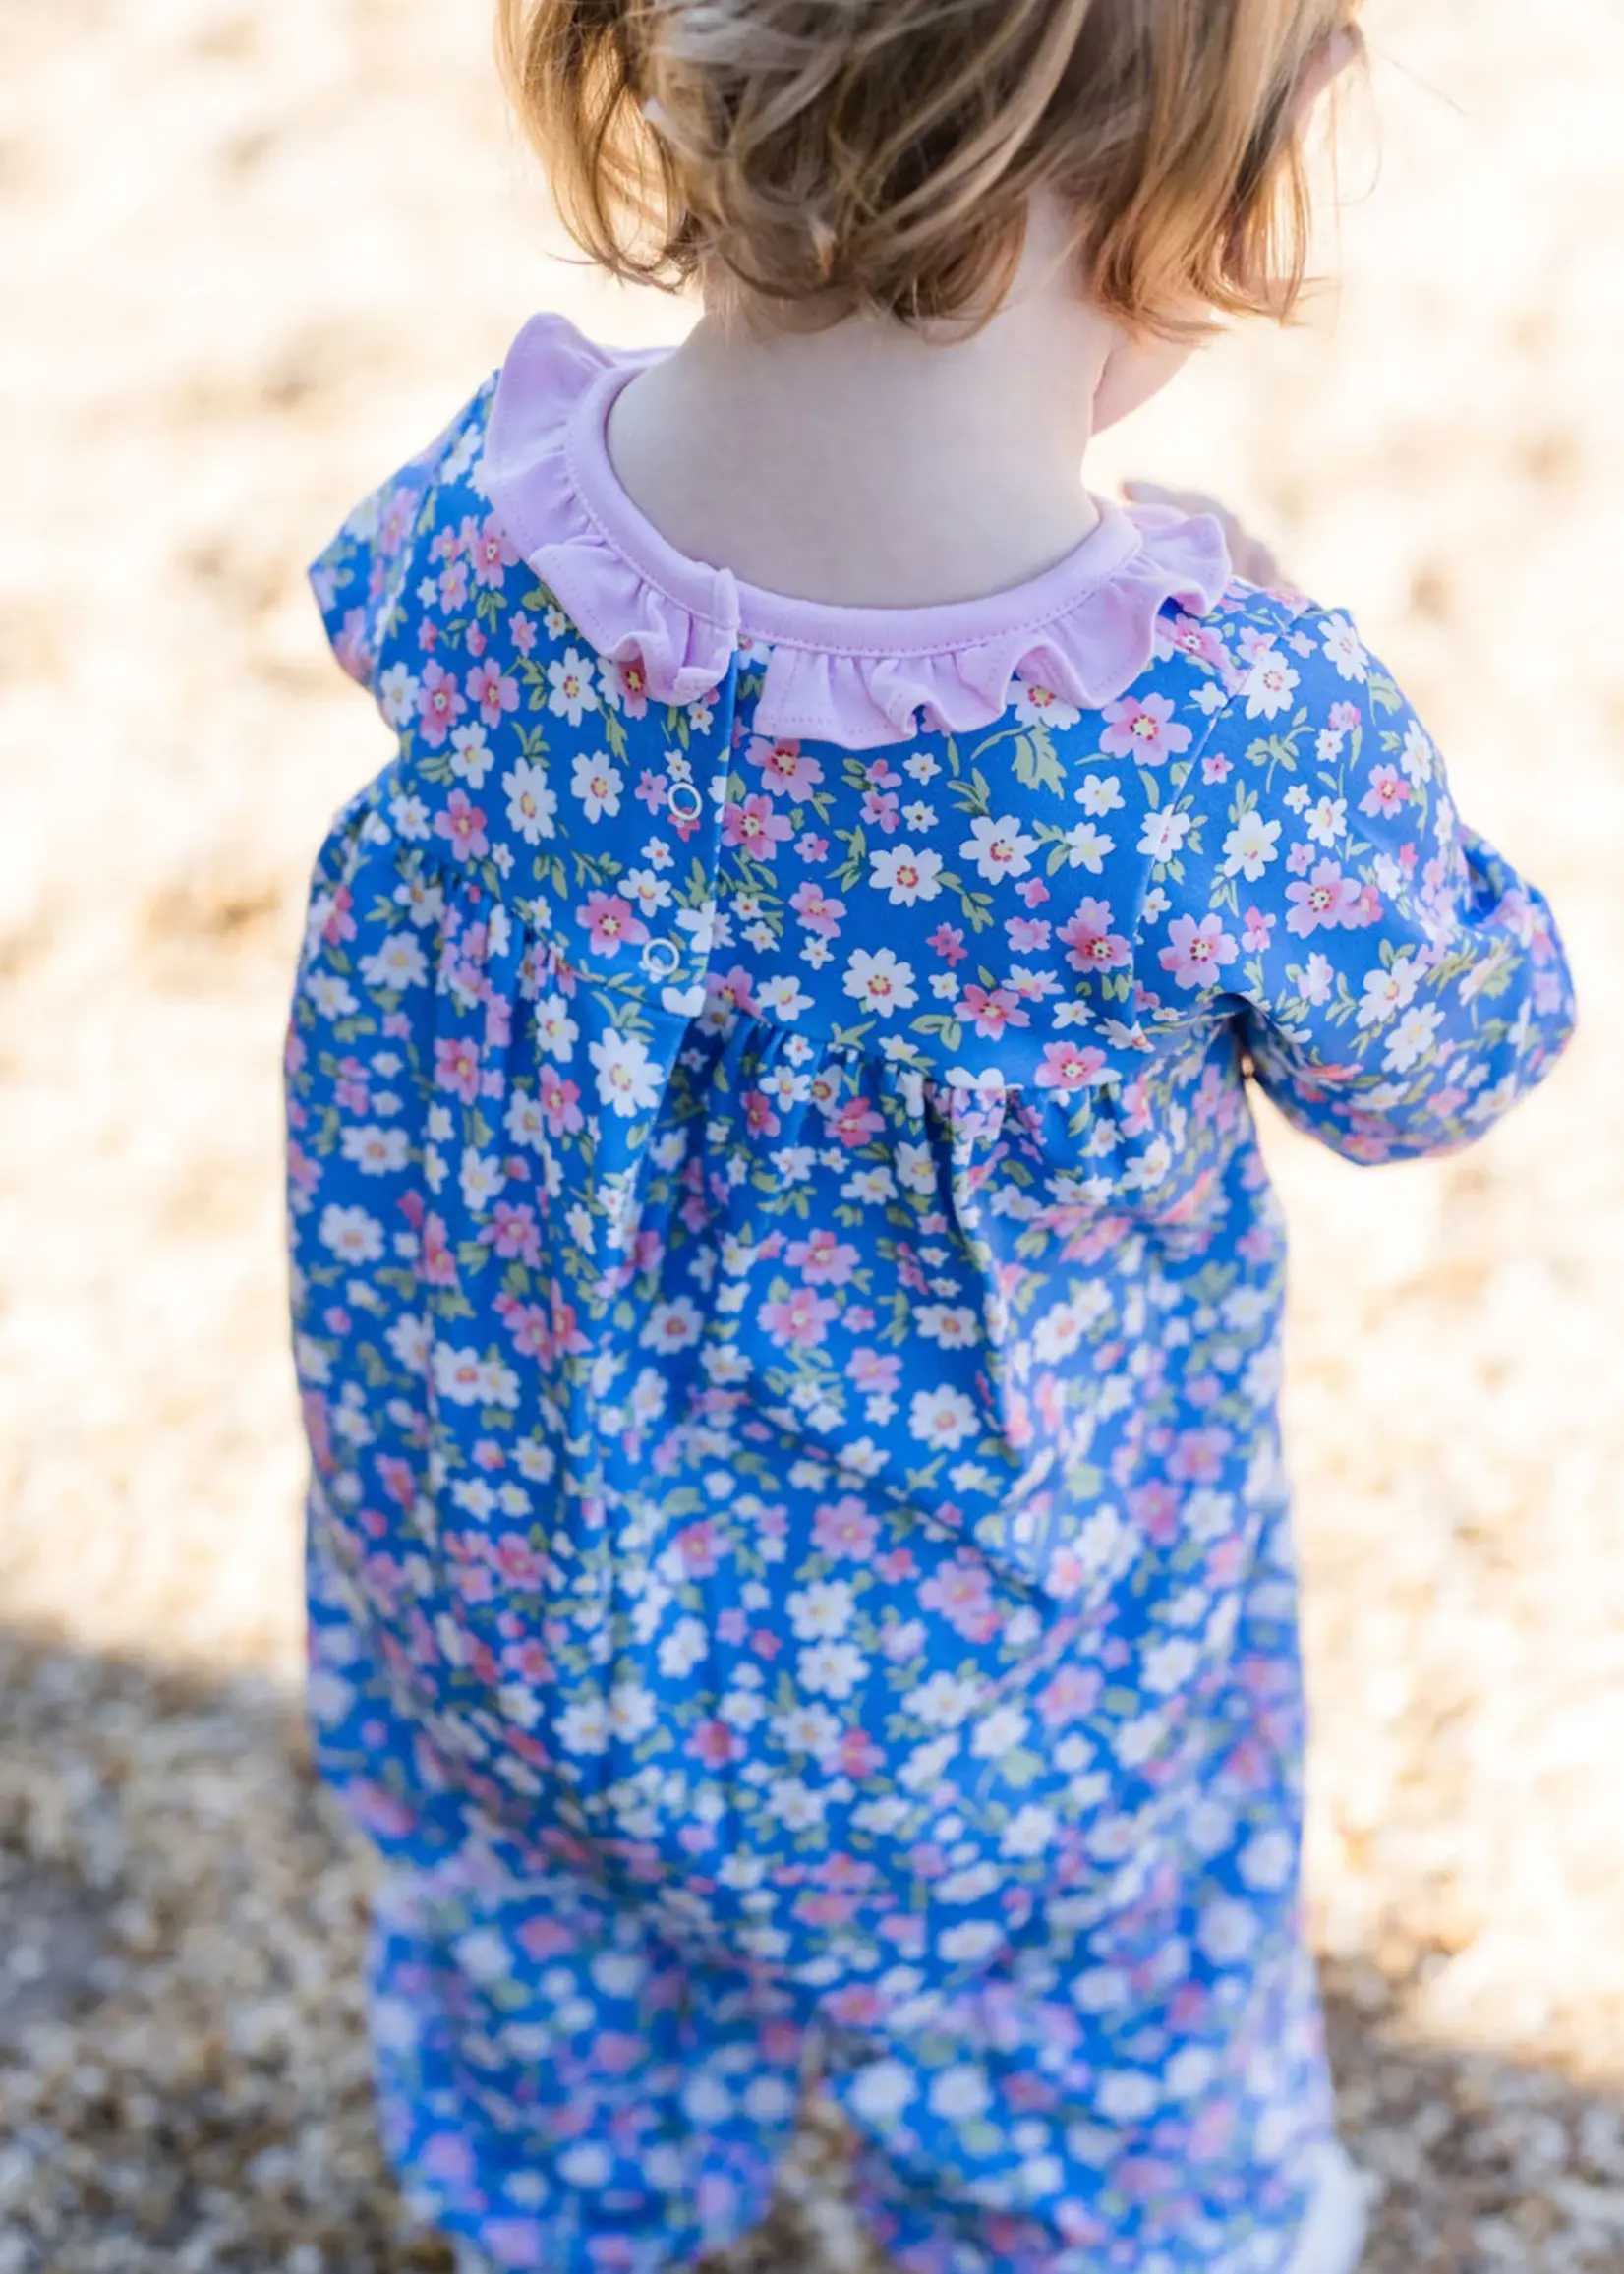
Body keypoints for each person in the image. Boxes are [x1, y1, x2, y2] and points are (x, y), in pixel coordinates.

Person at [286, 2, 1575, 2269]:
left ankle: (567, 2214)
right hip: (1008, 1717)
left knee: (555, 2014)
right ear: (1208, 194)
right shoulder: (1208, 739)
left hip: (501, 1602)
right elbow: (1451, 1048)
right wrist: (1252, 624)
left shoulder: (473, 539)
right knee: (1085, 2094)